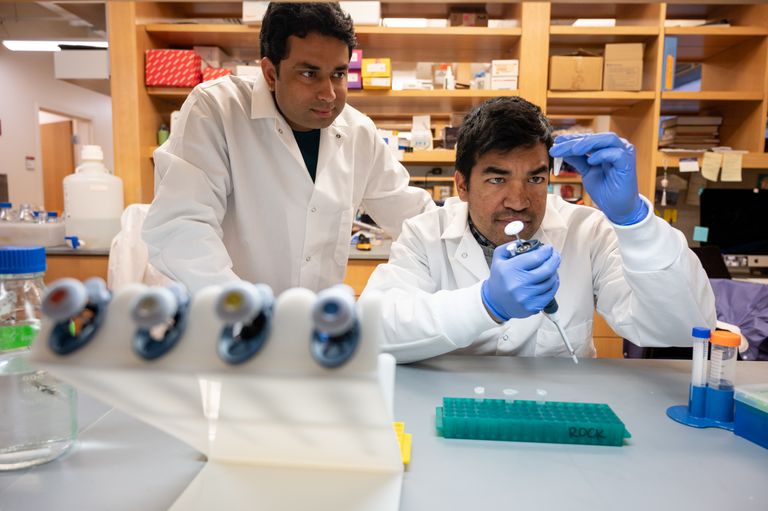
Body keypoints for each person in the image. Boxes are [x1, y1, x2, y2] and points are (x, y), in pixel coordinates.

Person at [361, 96, 716, 363]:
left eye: (535, 178)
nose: (518, 200)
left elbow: (682, 328)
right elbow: (373, 331)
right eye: (497, 178)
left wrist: (635, 223)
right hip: (453, 416)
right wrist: (484, 305)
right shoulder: (425, 235)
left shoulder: (587, 232)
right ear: (462, 185)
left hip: (559, 422)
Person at [142, 2, 433, 293]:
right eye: (309, 74)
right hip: (231, 324)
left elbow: (412, 215)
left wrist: (470, 232)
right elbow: (182, 226)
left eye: (338, 74)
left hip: (317, 323)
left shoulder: (358, 132)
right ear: (270, 73)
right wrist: (242, 308)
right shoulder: (217, 110)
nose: (328, 93)